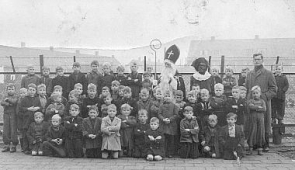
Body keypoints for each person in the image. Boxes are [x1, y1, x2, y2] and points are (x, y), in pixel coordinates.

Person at [245, 53, 277, 152]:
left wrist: (264, 96)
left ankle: (265, 143)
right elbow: (247, 88)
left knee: (265, 123)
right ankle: (254, 144)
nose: (256, 61)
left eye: (258, 59)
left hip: (263, 103)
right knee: (253, 123)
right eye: (255, 59)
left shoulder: (268, 73)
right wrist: (247, 100)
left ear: (262, 60)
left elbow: (274, 89)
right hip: (252, 103)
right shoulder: (249, 74)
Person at [19, 83, 42, 154]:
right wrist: (28, 109)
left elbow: (40, 107)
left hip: (34, 119)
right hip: (26, 119)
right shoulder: (24, 99)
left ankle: (32, 148)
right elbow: (21, 108)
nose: (31, 91)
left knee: (32, 134)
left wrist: (37, 108)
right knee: (26, 134)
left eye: (33, 90)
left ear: (35, 91)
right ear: (27, 90)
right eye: (30, 90)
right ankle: (25, 148)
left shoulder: (37, 98)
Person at [158, 90, 179, 158]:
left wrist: (170, 119)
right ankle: (163, 152)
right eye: (166, 96)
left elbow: (176, 115)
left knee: (171, 140)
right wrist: (163, 119)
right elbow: (159, 114)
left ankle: (170, 152)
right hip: (163, 124)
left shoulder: (174, 106)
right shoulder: (161, 106)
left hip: (171, 125)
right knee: (164, 139)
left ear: (172, 97)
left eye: (169, 96)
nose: (167, 98)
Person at [247, 86, 266, 155]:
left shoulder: (262, 101)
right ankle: (250, 148)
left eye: (257, 93)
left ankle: (260, 148)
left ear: (260, 93)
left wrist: (255, 108)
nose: (255, 94)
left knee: (260, 133)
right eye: (254, 93)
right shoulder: (250, 101)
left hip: (260, 120)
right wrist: (258, 107)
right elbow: (250, 107)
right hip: (253, 119)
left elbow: (264, 109)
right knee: (252, 132)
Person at [1, 83, 18, 153]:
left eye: (12, 89)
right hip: (6, 114)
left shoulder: (16, 96)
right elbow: (2, 102)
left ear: (15, 90)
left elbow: (14, 102)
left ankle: (13, 145)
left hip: (13, 114)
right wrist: (8, 104)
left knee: (13, 129)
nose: (10, 91)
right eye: (9, 89)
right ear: (7, 90)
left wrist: (8, 100)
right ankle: (6, 144)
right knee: (6, 129)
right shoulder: (4, 96)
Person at [16, 88, 28, 152]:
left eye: (24, 93)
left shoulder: (27, 100)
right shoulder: (19, 101)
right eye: (21, 93)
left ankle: (26, 146)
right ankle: (22, 146)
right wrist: (22, 115)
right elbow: (17, 111)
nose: (22, 94)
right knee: (21, 133)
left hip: (26, 119)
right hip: (21, 119)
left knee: (26, 132)